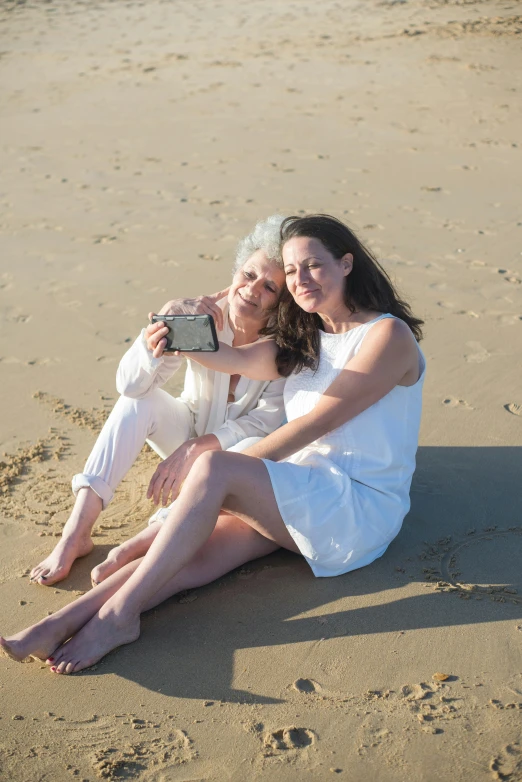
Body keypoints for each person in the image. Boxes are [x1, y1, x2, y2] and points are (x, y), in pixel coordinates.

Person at [1, 214, 425, 674]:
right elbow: (229, 356)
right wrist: (181, 320)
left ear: (346, 264)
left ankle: (120, 616)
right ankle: (63, 621)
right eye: (292, 270)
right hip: (303, 490)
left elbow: (317, 424)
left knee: (215, 470)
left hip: (355, 506)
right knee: (189, 554)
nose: (301, 280)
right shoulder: (308, 340)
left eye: (313, 266)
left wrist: (219, 484)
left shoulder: (388, 335)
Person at [29, 215, 288, 586]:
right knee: (138, 404)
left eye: (269, 288)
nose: (252, 290)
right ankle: (77, 532)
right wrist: (167, 324)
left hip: (237, 461)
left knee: (248, 446)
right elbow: (131, 386)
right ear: (235, 272)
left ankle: (156, 540)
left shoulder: (284, 346)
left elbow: (263, 424)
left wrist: (200, 449)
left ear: (282, 302)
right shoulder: (202, 319)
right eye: (248, 275)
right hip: (187, 430)